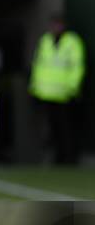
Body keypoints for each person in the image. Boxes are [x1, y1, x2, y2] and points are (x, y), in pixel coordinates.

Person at [29, 14, 85, 164]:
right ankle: (56, 159)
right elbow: (38, 66)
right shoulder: (45, 41)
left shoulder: (72, 42)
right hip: (46, 94)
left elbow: (77, 67)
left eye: (58, 25)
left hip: (65, 95)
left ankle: (69, 158)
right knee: (51, 129)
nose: (56, 28)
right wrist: (35, 88)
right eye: (54, 25)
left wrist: (72, 88)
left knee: (67, 129)